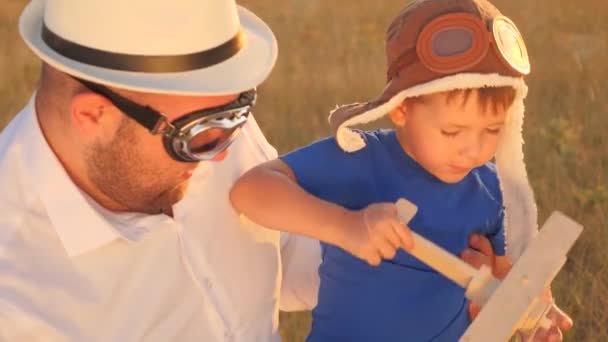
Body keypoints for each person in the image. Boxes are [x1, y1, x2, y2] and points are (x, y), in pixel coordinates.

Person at [0, 0, 569, 341]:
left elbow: (297, 261)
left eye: (237, 112)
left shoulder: (202, 127)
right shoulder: (19, 296)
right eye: (200, 134)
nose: (225, 154)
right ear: (92, 115)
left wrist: (461, 276)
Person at [230, 0, 573, 341]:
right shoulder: (360, 159)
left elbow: (511, 282)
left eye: (493, 130)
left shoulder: (492, 191)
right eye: (452, 131)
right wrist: (346, 227)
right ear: (401, 108)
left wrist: (532, 314)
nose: (474, 150)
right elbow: (251, 191)